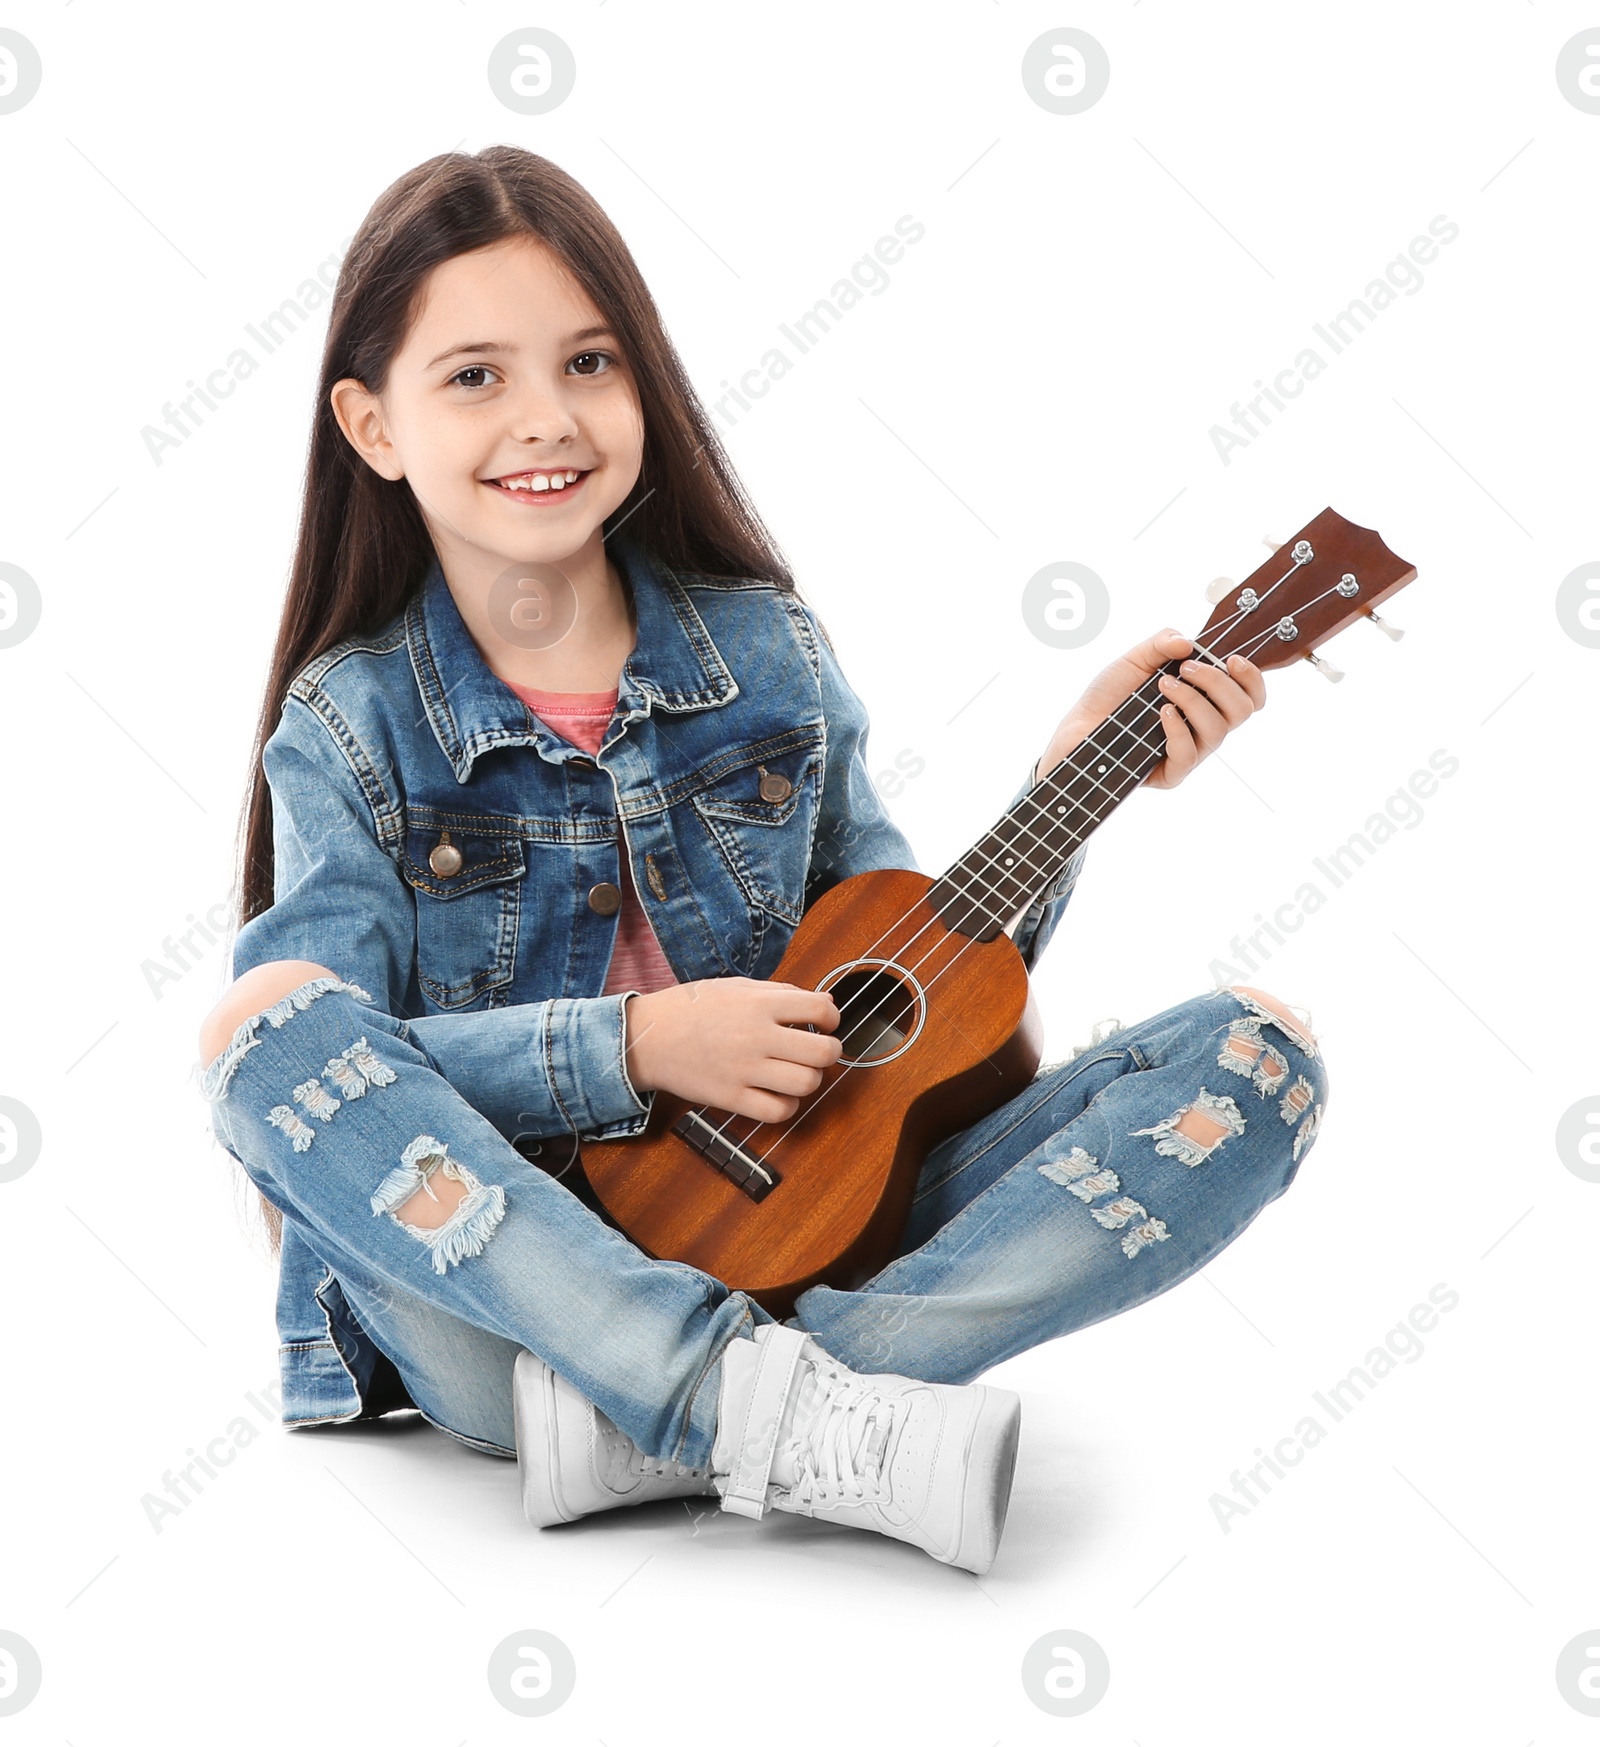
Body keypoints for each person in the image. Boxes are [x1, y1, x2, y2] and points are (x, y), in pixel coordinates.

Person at [197, 146, 1327, 1577]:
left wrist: (1073, 777)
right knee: (263, 1026)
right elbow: (345, 1063)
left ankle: (722, 1409)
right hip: (518, 1305)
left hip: (820, 1229)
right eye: (475, 376)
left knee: (1262, 1059)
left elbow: (915, 978)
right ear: (371, 424)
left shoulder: (765, 653)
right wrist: (636, 1046)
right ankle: (775, 1408)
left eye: (590, 362)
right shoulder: (347, 725)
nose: (545, 417)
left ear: (644, 386)